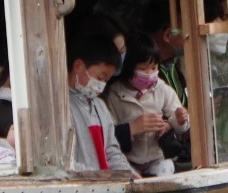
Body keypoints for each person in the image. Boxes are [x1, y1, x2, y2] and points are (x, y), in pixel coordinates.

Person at [103, 46, 188, 177]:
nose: (148, 73)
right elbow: (107, 133)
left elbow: (180, 122)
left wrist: (178, 121)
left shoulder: (162, 89)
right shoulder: (114, 94)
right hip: (127, 160)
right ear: (129, 67)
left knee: (166, 171)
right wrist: (131, 129)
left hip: (157, 158)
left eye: (153, 68)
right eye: (142, 69)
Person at [66, 31, 137, 175]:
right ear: (78, 66)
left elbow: (111, 151)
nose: (102, 85)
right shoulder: (61, 107)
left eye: (106, 81)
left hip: (104, 186)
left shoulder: (100, 106)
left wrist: (129, 173)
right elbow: (64, 161)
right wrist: (98, 177)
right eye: (100, 77)